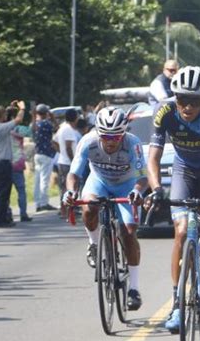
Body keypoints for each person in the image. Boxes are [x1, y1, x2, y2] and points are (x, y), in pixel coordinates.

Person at [147, 65, 200, 333]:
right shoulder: (164, 110)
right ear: (175, 97)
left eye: (194, 101)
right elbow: (153, 156)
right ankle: (176, 304)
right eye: (182, 99)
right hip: (184, 170)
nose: (187, 106)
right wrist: (156, 189)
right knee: (181, 231)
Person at [63, 106, 147, 310]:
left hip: (126, 185)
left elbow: (143, 177)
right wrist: (71, 192)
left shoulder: (133, 143)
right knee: (89, 207)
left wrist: (137, 192)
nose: (110, 141)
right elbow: (74, 173)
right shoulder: (88, 141)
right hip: (99, 181)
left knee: (128, 232)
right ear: (98, 132)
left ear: (124, 133)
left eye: (116, 137)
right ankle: (93, 244)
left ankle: (134, 289)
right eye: (106, 136)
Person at [0, 100, 26, 228]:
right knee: (4, 194)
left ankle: (2, 217)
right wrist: (22, 108)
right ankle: (0, 220)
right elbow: (18, 120)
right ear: (1, 116)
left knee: (1, 193)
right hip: (4, 163)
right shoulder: (1, 128)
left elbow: (7, 122)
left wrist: (10, 108)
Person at [7, 106, 32, 222]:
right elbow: (32, 131)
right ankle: (23, 213)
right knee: (21, 190)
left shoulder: (0, 128)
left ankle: (7, 213)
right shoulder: (19, 129)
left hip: (5, 163)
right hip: (17, 162)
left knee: (5, 191)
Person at [53, 108, 79, 218]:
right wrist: (73, 160)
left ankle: (65, 210)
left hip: (62, 160)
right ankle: (67, 211)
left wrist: (61, 152)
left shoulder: (62, 128)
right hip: (68, 163)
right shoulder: (68, 129)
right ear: (75, 118)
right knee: (70, 187)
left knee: (64, 187)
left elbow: (54, 142)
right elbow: (68, 147)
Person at [32, 104, 57, 212]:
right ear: (46, 113)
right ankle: (44, 202)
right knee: (44, 179)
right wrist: (53, 117)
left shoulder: (34, 124)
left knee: (37, 179)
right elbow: (57, 128)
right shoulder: (46, 123)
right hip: (46, 153)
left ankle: (37, 202)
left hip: (37, 153)